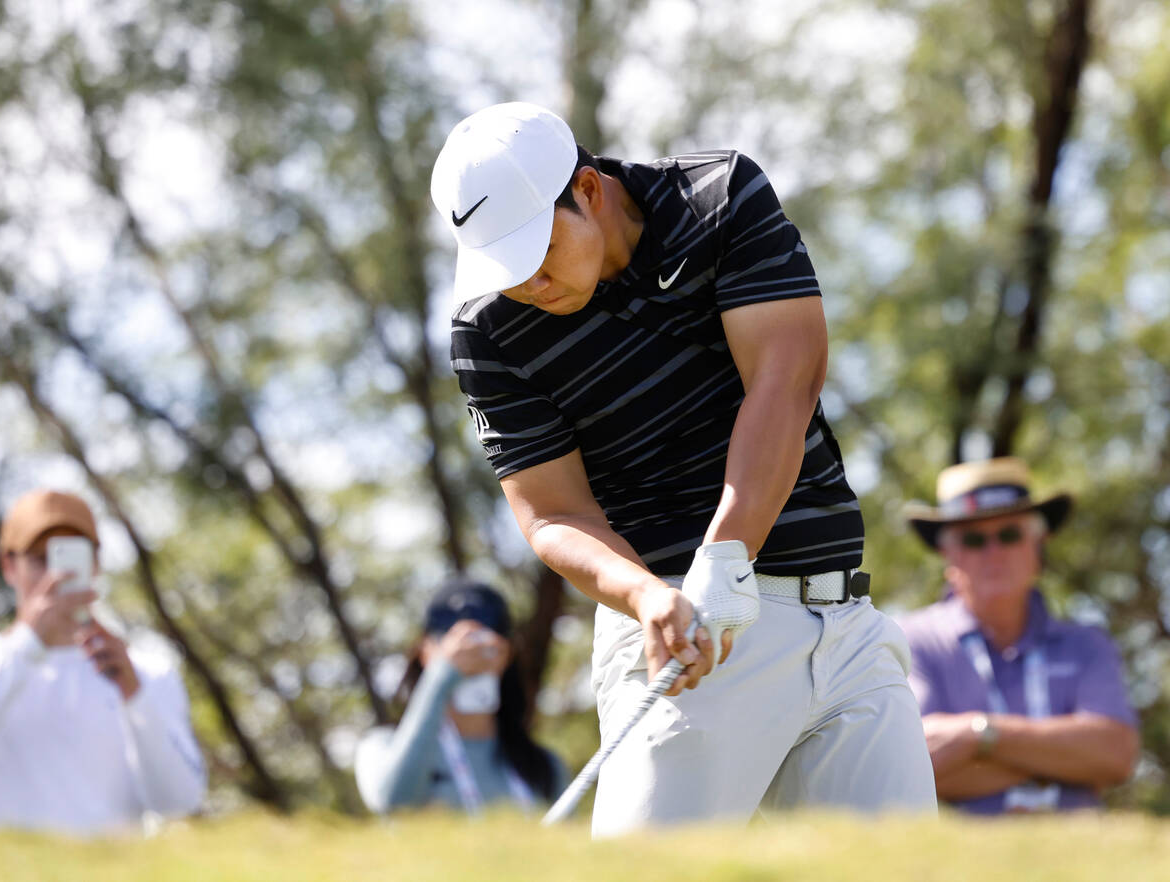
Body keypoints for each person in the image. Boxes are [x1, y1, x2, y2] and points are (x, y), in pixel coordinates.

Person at [431, 102, 936, 835]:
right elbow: (551, 513)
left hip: (843, 622)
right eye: (506, 270)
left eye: (537, 252)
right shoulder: (488, 331)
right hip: (685, 641)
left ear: (589, 191)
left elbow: (785, 378)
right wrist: (645, 598)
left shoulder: (718, 199)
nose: (530, 285)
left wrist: (727, 551)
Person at [898, 457, 1139, 813]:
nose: (994, 553)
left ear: (1037, 545)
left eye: (1009, 534)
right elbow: (911, 764)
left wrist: (977, 733)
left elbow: (1116, 753)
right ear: (947, 554)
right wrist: (1063, 761)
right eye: (974, 539)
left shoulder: (1087, 642)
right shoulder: (909, 640)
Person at [0, 489, 206, 835]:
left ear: (95, 564)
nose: (56, 576)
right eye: (40, 559)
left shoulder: (146, 672)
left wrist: (134, 695)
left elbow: (179, 802)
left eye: (69, 559)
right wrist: (26, 647)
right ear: (9, 565)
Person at [355, 578, 564, 814]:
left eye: (484, 645)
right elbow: (394, 801)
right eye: (453, 644)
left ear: (507, 655)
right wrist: (441, 677)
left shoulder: (544, 766)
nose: (471, 657)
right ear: (424, 651)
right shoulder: (382, 745)